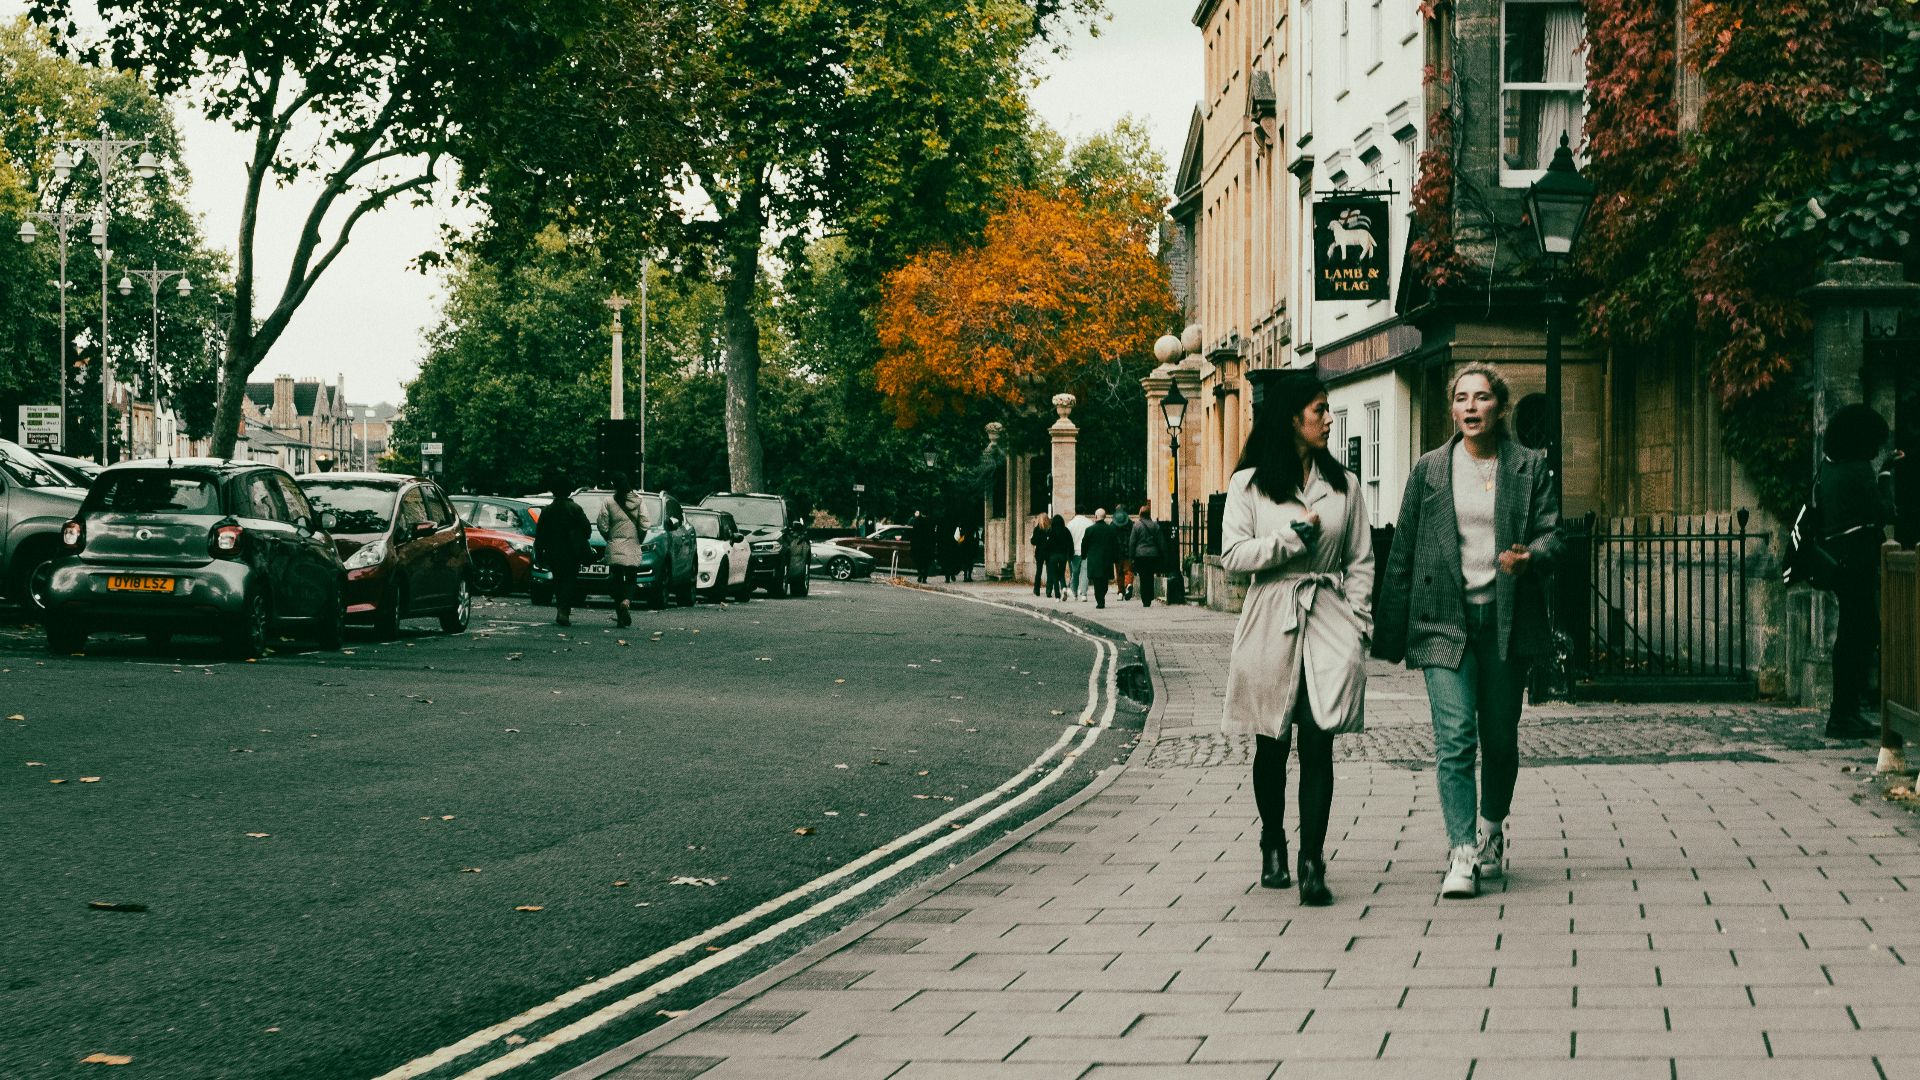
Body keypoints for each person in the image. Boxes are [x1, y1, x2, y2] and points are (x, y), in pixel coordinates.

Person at [1374, 362, 1562, 900]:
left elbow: (1555, 536)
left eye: (1482, 398)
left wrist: (1530, 557)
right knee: (1455, 740)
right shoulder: (1431, 469)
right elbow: (1404, 549)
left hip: (1504, 624)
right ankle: (1461, 852)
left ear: (1500, 407)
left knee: (1500, 742)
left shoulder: (1528, 467)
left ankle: (1491, 828)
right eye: (1461, 398)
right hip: (1442, 620)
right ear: (1452, 409)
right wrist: (1388, 631)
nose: (1471, 407)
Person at [1220, 371, 1373, 906]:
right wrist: (1287, 540)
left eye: (1328, 410)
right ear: (1291, 417)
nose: (1329, 419)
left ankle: (1312, 860)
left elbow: (1360, 560)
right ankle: (1272, 841)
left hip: (1328, 614)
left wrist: (1360, 622)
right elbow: (1234, 556)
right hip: (1271, 612)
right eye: (1319, 410)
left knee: (1318, 739)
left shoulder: (1345, 485)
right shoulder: (1249, 485)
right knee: (1271, 739)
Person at [1818, 402, 1897, 741]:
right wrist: (1886, 475)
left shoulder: (1830, 468)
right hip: (1858, 563)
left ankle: (1845, 712)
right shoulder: (1858, 469)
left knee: (1852, 635)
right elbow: (1885, 511)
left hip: (1841, 561)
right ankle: (1845, 714)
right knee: (1858, 635)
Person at [534, 476, 592, 627]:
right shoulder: (575, 509)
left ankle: (561, 607)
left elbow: (540, 534)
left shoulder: (547, 510)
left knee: (558, 579)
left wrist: (539, 553)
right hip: (572, 551)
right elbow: (587, 529)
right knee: (569, 580)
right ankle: (564, 610)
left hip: (553, 551)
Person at [595, 475, 651, 627]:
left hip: (615, 545)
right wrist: (638, 538)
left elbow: (602, 524)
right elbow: (645, 523)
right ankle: (627, 602)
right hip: (633, 545)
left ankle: (620, 617)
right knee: (632, 579)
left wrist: (610, 538)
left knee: (617, 580)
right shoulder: (639, 501)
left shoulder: (608, 501)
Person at [1081, 508, 1120, 608]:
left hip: (1094, 560)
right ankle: (1101, 599)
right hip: (1107, 560)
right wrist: (1116, 558)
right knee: (1104, 581)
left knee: (1097, 582)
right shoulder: (1110, 530)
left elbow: (1084, 544)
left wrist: (1083, 555)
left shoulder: (1090, 530)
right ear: (1105, 517)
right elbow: (1115, 545)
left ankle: (1100, 601)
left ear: (1095, 516)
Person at [1129, 505, 1164, 607]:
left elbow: (1132, 542)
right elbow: (1160, 542)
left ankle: (1145, 599)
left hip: (1140, 555)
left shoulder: (1136, 526)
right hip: (1153, 555)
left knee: (1143, 577)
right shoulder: (1155, 526)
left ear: (1140, 514)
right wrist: (1162, 554)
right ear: (1149, 514)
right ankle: (1149, 596)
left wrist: (1131, 557)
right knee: (1150, 576)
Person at [1065, 511, 1093, 601]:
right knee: (1085, 572)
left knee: (1075, 572)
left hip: (1075, 552)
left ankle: (1074, 593)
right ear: (1084, 512)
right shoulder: (1089, 522)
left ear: (1076, 512)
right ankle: (1084, 594)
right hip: (1086, 551)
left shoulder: (1071, 523)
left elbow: (1068, 538)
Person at [1045, 513, 1073, 600]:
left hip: (1052, 556)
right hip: (1063, 556)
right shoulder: (1066, 531)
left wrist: (1046, 557)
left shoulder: (1050, 531)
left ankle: (1057, 596)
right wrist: (1070, 555)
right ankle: (1064, 588)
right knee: (1061, 573)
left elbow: (1047, 545)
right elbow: (1070, 544)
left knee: (1054, 575)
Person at [1112, 508, 1135, 601]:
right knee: (1128, 570)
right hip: (1128, 551)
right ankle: (1129, 584)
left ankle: (1121, 592)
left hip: (1117, 552)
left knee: (1119, 572)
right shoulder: (1131, 524)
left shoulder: (1113, 525)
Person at [910, 510, 937, 584]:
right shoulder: (931, 521)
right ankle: (924, 577)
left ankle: (920, 573)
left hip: (918, 545)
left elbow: (914, 533)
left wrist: (913, 544)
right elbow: (933, 534)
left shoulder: (917, 520)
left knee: (918, 561)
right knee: (927, 562)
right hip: (928, 545)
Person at [1029, 513, 1052, 596]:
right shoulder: (1050, 529)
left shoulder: (1037, 529)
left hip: (1039, 552)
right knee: (1049, 571)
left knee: (1039, 571)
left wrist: (1031, 538)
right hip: (1049, 552)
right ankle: (1049, 591)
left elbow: (1033, 542)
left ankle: (1037, 590)